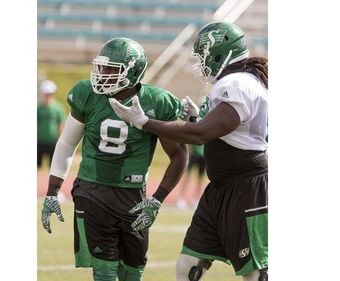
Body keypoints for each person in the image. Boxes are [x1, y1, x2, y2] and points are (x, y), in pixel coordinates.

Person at [109, 22, 268, 281]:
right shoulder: (239, 81)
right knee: (188, 266)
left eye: (204, 54)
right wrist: (197, 120)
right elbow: (215, 131)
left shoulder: (238, 83)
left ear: (220, 52)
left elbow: (201, 135)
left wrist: (144, 122)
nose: (202, 62)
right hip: (220, 189)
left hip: (246, 188)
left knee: (255, 273)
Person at [40, 37, 189, 281]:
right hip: (92, 191)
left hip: (133, 196)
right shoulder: (86, 93)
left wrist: (158, 199)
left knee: (132, 274)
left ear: (133, 72)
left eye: (111, 69)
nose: (102, 74)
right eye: (101, 67)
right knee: (104, 273)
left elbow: (179, 154)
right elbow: (67, 143)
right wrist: (52, 191)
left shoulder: (157, 101)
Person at [37, 79, 66, 168]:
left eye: (49, 94)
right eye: (46, 94)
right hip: (40, 141)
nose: (47, 96)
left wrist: (59, 140)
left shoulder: (58, 108)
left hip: (53, 142)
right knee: (38, 166)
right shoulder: (38, 109)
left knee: (53, 167)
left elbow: (61, 124)